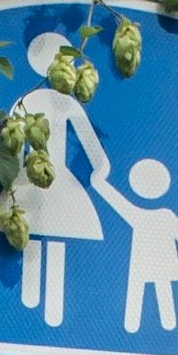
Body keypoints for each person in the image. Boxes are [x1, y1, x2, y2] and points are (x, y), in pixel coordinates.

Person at [9, 32, 107, 326]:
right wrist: (100, 171)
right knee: (48, 235)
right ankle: (38, 314)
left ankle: (38, 310)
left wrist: (12, 177)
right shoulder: (58, 102)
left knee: (47, 235)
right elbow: (94, 150)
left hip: (38, 177)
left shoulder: (29, 101)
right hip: (51, 177)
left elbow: (12, 145)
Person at [93, 158, 178, 333]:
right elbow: (117, 202)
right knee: (141, 291)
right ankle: (133, 326)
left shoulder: (154, 215)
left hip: (157, 261)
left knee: (159, 291)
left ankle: (160, 324)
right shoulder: (148, 215)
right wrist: (99, 183)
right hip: (145, 260)